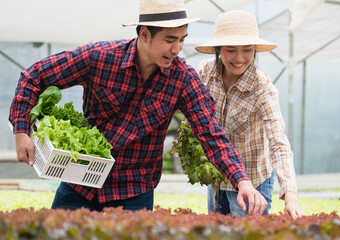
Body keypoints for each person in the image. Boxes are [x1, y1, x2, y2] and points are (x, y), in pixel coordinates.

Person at [9, 0, 267, 213]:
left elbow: (211, 133)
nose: (177, 48)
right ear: (144, 34)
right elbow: (35, 76)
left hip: (133, 193)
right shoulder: (100, 58)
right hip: (80, 183)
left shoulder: (183, 80)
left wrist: (241, 180)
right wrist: (22, 131)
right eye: (170, 39)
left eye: (182, 39)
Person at [195, 10, 304, 219]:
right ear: (218, 49)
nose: (239, 58)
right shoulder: (205, 74)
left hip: (253, 181)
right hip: (218, 177)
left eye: (247, 50)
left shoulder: (262, 88)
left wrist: (291, 197)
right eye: (231, 50)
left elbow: (278, 143)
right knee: (217, 233)